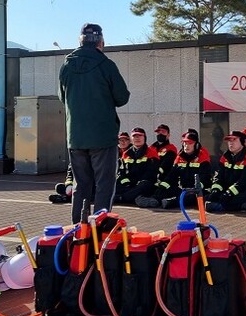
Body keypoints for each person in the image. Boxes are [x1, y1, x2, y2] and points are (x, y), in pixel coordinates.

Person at [58, 23, 130, 224]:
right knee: (104, 184)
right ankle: (99, 227)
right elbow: (122, 97)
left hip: (75, 137)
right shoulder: (106, 65)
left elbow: (62, 97)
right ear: (101, 42)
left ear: (80, 41)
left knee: (81, 185)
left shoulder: (66, 66)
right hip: (102, 136)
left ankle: (78, 228)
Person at [136, 130, 212, 209]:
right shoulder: (180, 157)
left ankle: (171, 202)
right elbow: (171, 176)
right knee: (167, 190)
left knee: (191, 197)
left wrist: (193, 189)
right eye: (184, 143)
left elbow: (205, 178)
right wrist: (162, 188)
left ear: (196, 145)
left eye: (190, 143)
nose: (186, 146)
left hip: (199, 190)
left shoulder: (202, 157)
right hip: (183, 189)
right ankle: (154, 199)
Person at [206, 131, 246, 213]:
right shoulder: (225, 156)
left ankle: (222, 206)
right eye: (229, 141)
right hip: (227, 189)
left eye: (234, 140)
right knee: (209, 196)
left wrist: (229, 193)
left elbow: (245, 181)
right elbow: (218, 175)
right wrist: (216, 189)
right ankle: (241, 205)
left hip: (242, 190)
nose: (231, 143)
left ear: (242, 142)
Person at [115, 128, 160, 205]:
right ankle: (137, 198)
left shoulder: (151, 152)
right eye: (134, 136)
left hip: (144, 183)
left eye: (140, 136)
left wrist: (139, 183)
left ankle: (121, 198)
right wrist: (127, 183)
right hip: (130, 184)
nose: (137, 138)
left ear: (144, 138)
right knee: (115, 185)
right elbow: (122, 172)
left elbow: (151, 172)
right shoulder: (126, 154)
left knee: (144, 185)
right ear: (131, 139)